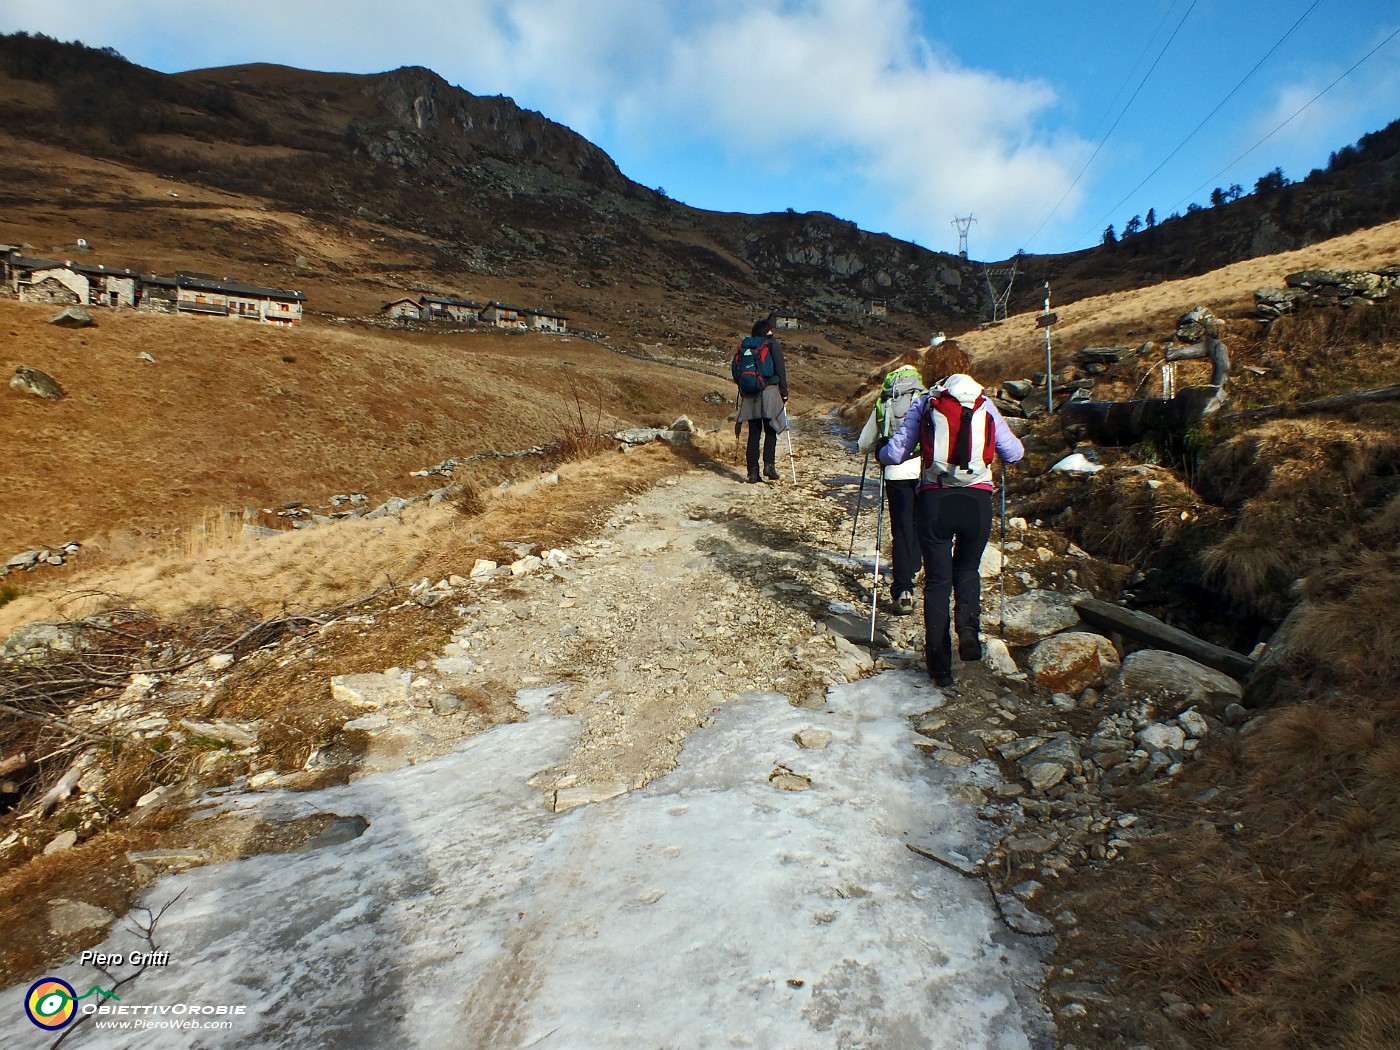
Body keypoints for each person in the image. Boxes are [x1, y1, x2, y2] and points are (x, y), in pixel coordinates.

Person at [878, 346, 1024, 687]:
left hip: (936, 501)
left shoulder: (926, 401)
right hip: (977, 501)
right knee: (968, 569)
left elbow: (897, 451)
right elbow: (1014, 452)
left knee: (938, 582)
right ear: (967, 367)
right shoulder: (984, 403)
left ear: (931, 369)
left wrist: (881, 453)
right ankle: (969, 629)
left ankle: (940, 666)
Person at [856, 350, 925, 615]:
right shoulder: (926, 395)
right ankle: (916, 566)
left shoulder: (886, 400)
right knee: (921, 522)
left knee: (901, 527)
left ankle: (903, 589)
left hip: (896, 472)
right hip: (925, 470)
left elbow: (864, 443)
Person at [733, 316, 789, 483]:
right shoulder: (771, 345)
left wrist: (745, 386)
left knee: (754, 432)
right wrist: (784, 394)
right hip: (769, 391)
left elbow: (736, 371)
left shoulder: (745, 346)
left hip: (750, 393)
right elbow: (780, 370)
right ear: (767, 331)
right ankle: (769, 466)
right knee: (771, 428)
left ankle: (752, 472)